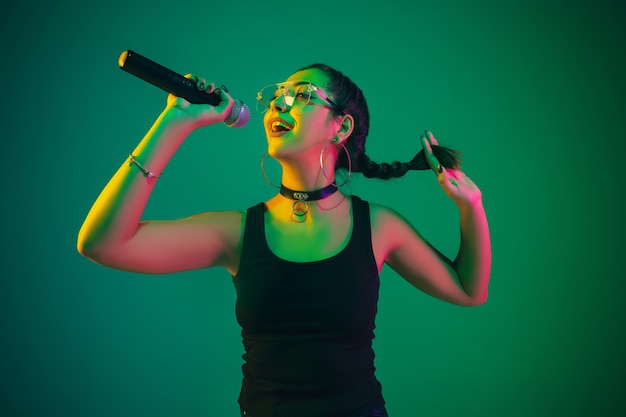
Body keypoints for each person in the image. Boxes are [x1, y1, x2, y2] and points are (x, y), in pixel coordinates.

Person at [77, 62, 491, 417]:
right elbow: (102, 243)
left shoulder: (379, 226)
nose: (278, 102)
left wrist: (471, 205)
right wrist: (174, 123)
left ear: (340, 126)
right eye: (277, 95)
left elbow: (468, 290)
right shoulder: (237, 232)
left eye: (301, 94)